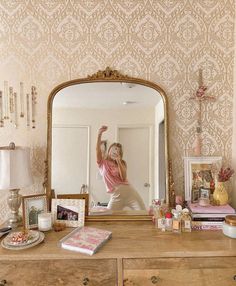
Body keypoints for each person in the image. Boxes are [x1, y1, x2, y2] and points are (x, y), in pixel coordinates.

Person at [96, 125, 146, 211]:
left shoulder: (122, 163)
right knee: (108, 216)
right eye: (113, 149)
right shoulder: (102, 163)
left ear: (120, 154)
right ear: (109, 150)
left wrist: (119, 161)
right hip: (115, 195)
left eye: (117, 150)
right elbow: (97, 150)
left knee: (142, 212)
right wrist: (99, 134)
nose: (115, 151)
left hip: (129, 192)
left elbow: (123, 177)